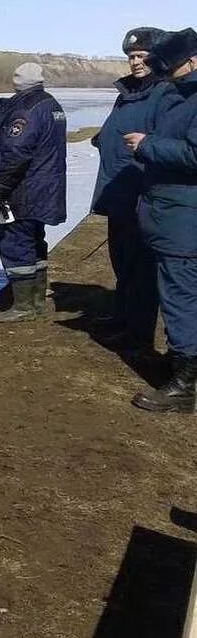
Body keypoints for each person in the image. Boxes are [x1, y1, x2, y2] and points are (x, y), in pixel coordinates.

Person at [124, 28, 197, 413]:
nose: (163, 73)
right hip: (171, 214)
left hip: (184, 218)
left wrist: (148, 145)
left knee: (182, 297)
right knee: (180, 294)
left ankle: (183, 386)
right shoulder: (179, 93)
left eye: (168, 67)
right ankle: (180, 365)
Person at [91, 27, 174, 352]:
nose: (135, 63)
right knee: (122, 260)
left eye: (141, 56)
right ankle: (123, 316)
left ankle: (137, 330)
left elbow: (163, 143)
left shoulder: (165, 94)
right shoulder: (126, 94)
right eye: (130, 57)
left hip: (143, 194)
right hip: (118, 192)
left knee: (141, 267)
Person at [0, 62, 68, 322]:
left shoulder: (26, 110)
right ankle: (36, 300)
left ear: (20, 81)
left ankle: (24, 306)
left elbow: (16, 154)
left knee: (16, 244)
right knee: (34, 242)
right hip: (44, 188)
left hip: (23, 191)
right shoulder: (51, 105)